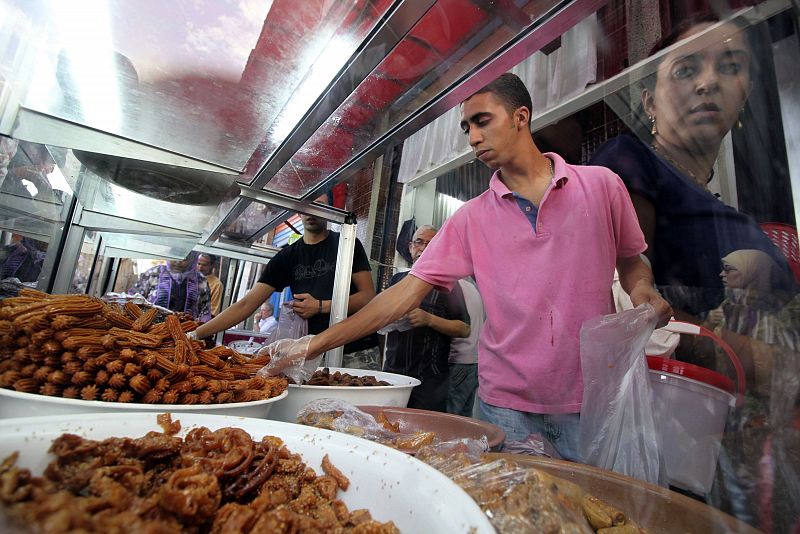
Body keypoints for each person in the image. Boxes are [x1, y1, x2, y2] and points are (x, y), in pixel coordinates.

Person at [263, 72, 672, 461]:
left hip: (590, 398)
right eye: (466, 129)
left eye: (482, 121)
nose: (473, 137)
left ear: (520, 117)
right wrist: (311, 345)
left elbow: (632, 263)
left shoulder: (601, 186)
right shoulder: (470, 219)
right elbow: (400, 298)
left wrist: (642, 294)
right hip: (503, 405)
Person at [588, 16, 793, 319]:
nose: (708, 82)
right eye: (685, 70)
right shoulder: (629, 161)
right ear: (650, 103)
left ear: (744, 97)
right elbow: (619, 301)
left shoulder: (735, 218)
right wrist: (750, 354)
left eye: (729, 68)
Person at [192, 194, 382, 370]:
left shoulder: (348, 244)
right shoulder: (287, 257)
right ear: (299, 210)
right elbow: (246, 304)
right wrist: (195, 334)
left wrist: (321, 306)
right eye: (307, 206)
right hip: (314, 352)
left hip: (357, 349)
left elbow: (367, 296)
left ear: (330, 210)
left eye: (320, 206)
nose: (312, 212)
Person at [702, 249, 800, 530]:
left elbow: (779, 370)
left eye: (731, 269)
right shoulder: (729, 307)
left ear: (754, 272)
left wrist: (724, 336)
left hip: (768, 429)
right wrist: (710, 325)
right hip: (734, 423)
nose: (722, 275)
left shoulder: (782, 314)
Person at [383, 225, 470, 412]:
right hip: (392, 374)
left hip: (429, 381)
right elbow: (379, 316)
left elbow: (464, 328)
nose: (423, 248)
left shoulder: (448, 285)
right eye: (419, 242)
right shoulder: (397, 280)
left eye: (431, 244)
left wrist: (429, 319)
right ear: (410, 246)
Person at [130, 253, 211, 322]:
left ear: (192, 260)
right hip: (148, 329)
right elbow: (133, 299)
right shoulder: (154, 273)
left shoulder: (201, 281)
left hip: (184, 334)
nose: (177, 262)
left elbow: (204, 312)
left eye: (183, 259)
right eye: (174, 257)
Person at [447, 277, 484, 418]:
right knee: (465, 415)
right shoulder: (473, 288)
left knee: (450, 417)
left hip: (458, 360)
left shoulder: (453, 287)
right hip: (475, 361)